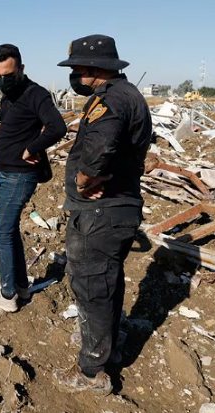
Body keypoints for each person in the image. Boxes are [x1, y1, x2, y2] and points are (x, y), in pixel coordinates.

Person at [52, 34, 152, 393]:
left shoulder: (110, 100)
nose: (75, 75)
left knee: (93, 287)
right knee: (107, 283)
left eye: (78, 68)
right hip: (114, 212)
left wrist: (83, 179)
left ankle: (93, 372)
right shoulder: (129, 95)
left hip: (100, 213)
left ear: (95, 68)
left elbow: (100, 145)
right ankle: (108, 353)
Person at [0, 44, 66, 312]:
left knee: (1, 234)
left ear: (21, 69)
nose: (3, 81)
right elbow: (7, 134)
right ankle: (20, 286)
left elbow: (57, 127)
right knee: (10, 231)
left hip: (20, 176)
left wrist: (32, 148)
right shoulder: (8, 98)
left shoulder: (35, 94)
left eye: (8, 74)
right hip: (6, 172)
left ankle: (7, 296)